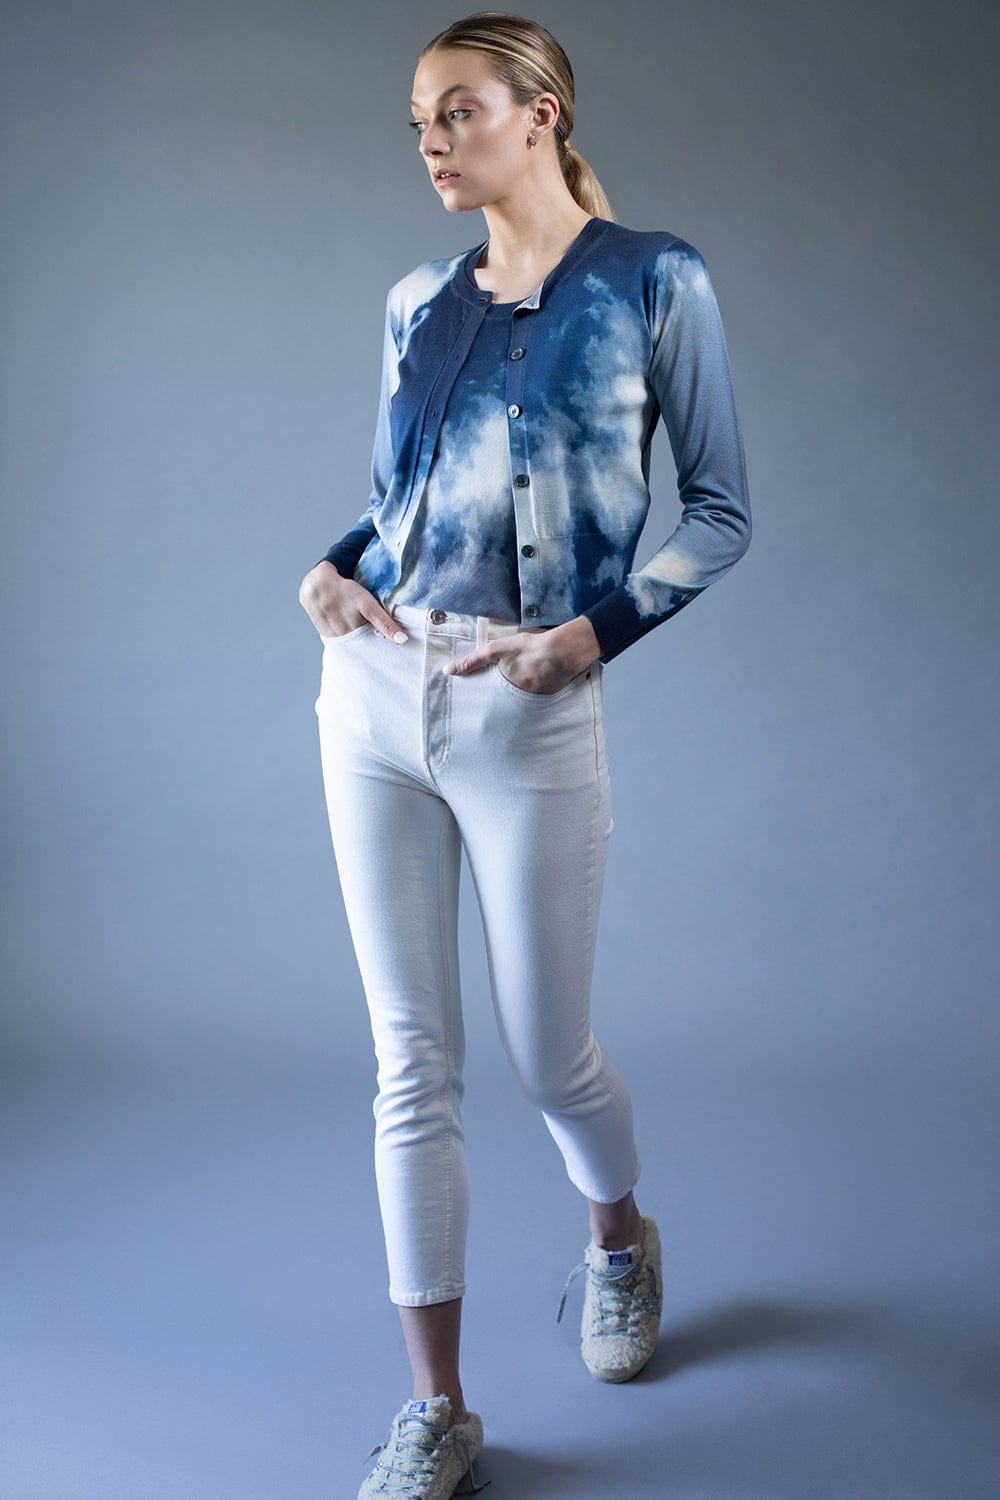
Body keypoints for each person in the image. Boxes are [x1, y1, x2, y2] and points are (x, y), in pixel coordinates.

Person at [298, 12, 751, 1498]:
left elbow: (721, 515)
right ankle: (438, 1408)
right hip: (374, 695)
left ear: (541, 111)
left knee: (550, 1055)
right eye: (418, 122)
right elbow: (399, 506)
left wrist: (590, 639)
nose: (431, 140)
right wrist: (329, 572)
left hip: (528, 702)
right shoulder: (414, 300)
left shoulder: (654, 280)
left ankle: (618, 1238)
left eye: (459, 110)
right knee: (409, 1061)